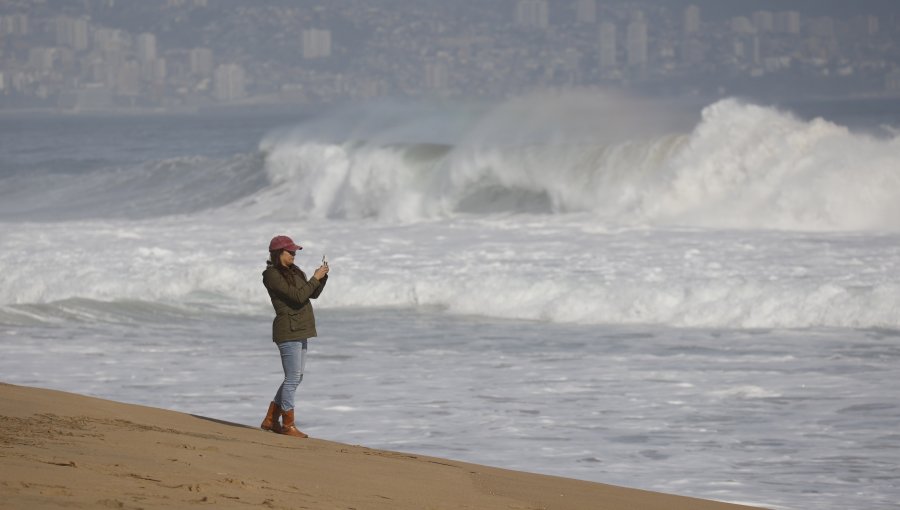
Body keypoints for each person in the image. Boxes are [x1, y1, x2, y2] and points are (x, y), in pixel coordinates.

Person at [259, 235, 329, 438]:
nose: (294, 255)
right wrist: (315, 278)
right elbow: (297, 297)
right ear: (278, 253)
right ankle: (287, 425)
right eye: (290, 252)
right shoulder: (271, 275)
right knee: (292, 378)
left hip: (302, 328)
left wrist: (322, 278)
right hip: (287, 330)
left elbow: (311, 294)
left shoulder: (295, 271)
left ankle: (271, 420)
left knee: (297, 377)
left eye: (295, 252)